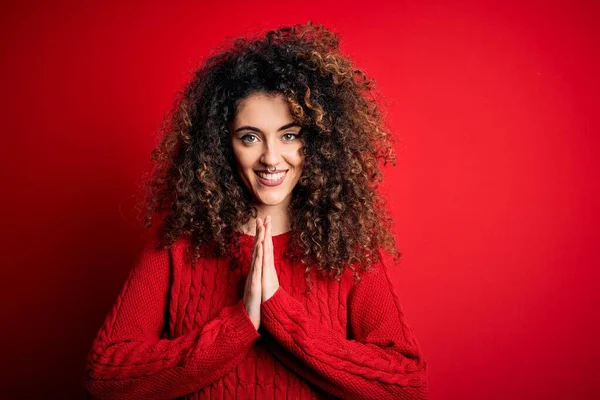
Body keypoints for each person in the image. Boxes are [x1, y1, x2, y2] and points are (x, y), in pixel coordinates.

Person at [83, 21, 428, 400]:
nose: (270, 157)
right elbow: (105, 378)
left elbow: (405, 386)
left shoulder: (346, 247)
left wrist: (280, 316)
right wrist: (239, 324)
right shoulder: (177, 245)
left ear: (316, 141)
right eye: (250, 137)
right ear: (220, 145)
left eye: (289, 135)